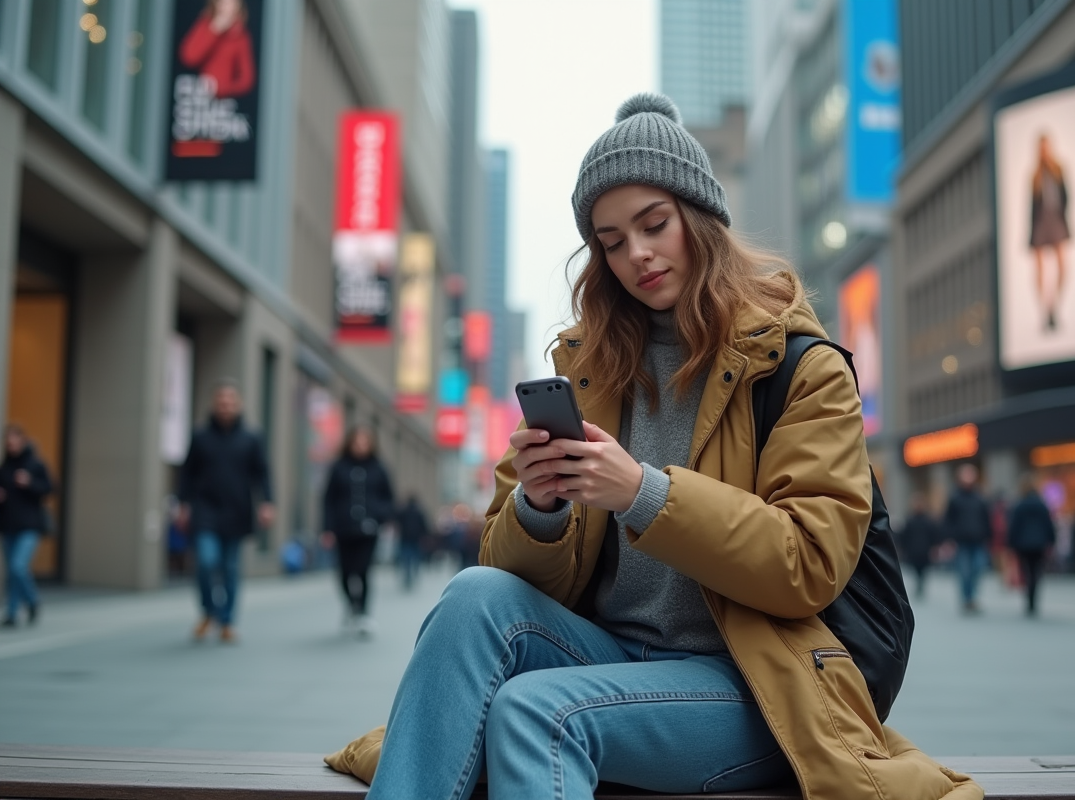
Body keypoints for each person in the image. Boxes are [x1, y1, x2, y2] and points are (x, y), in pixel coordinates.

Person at [352, 94, 980, 800]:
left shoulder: (802, 367)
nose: (636, 255)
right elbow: (508, 570)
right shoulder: (587, 367)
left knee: (535, 712)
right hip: (610, 657)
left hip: (754, 685)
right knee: (474, 596)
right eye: (611, 241)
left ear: (700, 216)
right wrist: (539, 507)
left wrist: (643, 494)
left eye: (654, 225)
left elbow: (809, 565)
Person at [177, 381, 274, 643]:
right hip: (205, 509)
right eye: (221, 401)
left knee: (230, 567)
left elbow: (262, 473)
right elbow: (187, 472)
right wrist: (182, 503)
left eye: (230, 402)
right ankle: (209, 611)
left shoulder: (251, 438)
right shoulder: (200, 437)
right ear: (214, 405)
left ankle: (227, 621)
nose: (225, 406)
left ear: (238, 405)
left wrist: (267, 502)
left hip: (237, 510)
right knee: (207, 562)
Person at [321, 426, 394, 635]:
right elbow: (328, 500)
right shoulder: (338, 468)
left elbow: (388, 497)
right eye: (357, 442)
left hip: (369, 529)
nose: (360, 447)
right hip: (343, 529)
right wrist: (327, 528)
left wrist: (382, 515)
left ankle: (363, 613)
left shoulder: (379, 468)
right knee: (344, 572)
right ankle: (351, 604)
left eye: (365, 443)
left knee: (363, 571)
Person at [0, 425, 54, 628]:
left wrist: (30, 483)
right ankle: (12, 613)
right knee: (12, 572)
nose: (11, 445)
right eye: (8, 441)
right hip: (8, 526)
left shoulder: (34, 464)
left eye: (14, 441)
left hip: (29, 526)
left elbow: (50, 488)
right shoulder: (5, 466)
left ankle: (32, 601)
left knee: (18, 566)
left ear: (22, 441)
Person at [1028, 133, 1070, 332]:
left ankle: (1055, 305)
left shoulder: (1059, 170)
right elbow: (1030, 207)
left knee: (1062, 264)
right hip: (1040, 221)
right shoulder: (1035, 176)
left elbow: (1067, 196)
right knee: (1040, 269)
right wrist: (1030, 234)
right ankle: (1045, 310)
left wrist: (1064, 219)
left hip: (1056, 219)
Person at [943, 463, 994, 614]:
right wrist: (948, 539)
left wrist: (988, 536)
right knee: (964, 571)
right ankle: (968, 598)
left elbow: (986, 518)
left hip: (978, 540)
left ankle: (972, 595)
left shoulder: (980, 497)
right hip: (962, 541)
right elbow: (948, 520)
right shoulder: (955, 498)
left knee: (978, 568)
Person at [180, 0, 256, 98]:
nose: (226, 7)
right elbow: (189, 58)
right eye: (222, 2)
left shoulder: (241, 36)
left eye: (230, 3)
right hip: (197, 97)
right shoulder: (205, 25)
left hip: (225, 104)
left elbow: (247, 80)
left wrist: (223, 89)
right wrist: (214, 32)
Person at [1006, 474, 1056, 617]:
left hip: (1023, 544)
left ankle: (1029, 599)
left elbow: (1014, 526)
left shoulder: (1019, 505)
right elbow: (1048, 525)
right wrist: (1051, 541)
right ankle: (1034, 598)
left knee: (1027, 572)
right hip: (1039, 543)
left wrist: (1011, 544)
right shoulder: (1041, 504)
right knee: (1036, 571)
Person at [897, 492, 940, 599]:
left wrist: (934, 547)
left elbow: (933, 534)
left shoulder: (928, 520)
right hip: (913, 549)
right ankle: (919, 583)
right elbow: (904, 535)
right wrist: (903, 547)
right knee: (916, 569)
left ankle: (921, 584)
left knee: (923, 569)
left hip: (925, 549)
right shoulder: (910, 520)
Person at [394, 495, 429, 591]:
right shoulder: (419, 512)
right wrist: (425, 536)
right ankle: (414, 573)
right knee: (416, 557)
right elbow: (424, 525)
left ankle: (407, 576)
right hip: (416, 538)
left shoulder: (403, 511)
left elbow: (396, 520)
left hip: (405, 538)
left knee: (406, 558)